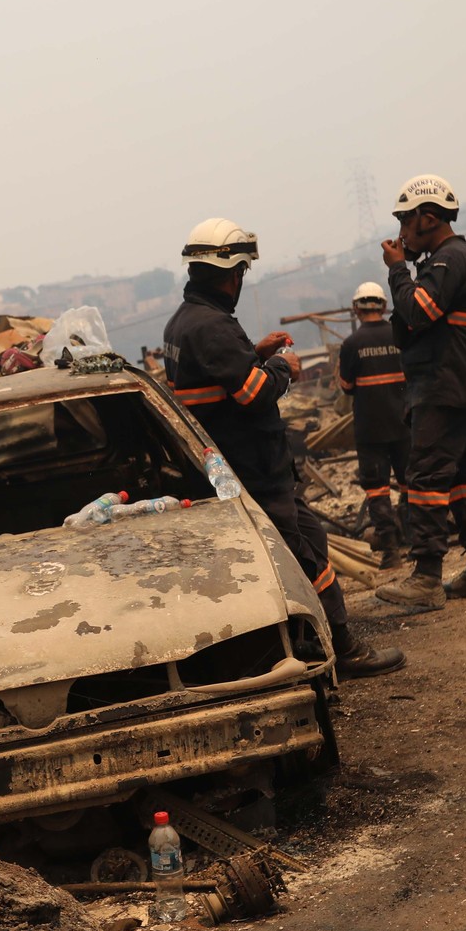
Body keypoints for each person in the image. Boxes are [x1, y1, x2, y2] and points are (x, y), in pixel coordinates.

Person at [163, 218, 404, 678]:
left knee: (304, 542)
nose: (240, 281)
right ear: (230, 272)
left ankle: (311, 643)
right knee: (304, 554)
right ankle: (342, 648)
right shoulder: (212, 326)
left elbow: (215, 379)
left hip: (232, 468)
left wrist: (254, 352)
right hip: (254, 467)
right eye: (240, 273)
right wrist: (282, 365)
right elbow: (252, 394)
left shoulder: (182, 323)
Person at [374, 176, 466, 613]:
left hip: (444, 385)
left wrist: (397, 269)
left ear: (427, 218)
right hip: (453, 383)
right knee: (465, 477)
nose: (401, 234)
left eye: (405, 223)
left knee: (427, 477)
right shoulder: (448, 259)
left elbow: (417, 310)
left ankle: (426, 577)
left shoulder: (449, 260)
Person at [336, 281, 409, 567]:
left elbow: (346, 385)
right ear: (384, 306)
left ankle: (391, 551)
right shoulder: (399, 335)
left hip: (370, 428)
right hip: (404, 423)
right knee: (411, 484)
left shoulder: (351, 345)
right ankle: (416, 543)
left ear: (356, 309)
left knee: (377, 489)